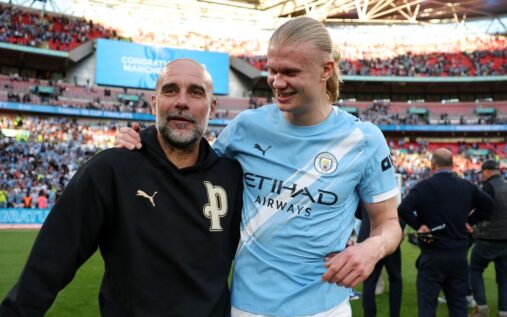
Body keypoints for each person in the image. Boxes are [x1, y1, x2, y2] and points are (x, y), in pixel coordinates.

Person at [115, 17, 403, 317]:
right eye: (272, 70)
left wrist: (373, 248)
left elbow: (388, 223)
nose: (277, 83)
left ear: (325, 70)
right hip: (246, 307)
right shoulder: (246, 127)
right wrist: (143, 142)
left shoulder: (364, 140)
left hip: (325, 308)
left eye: (290, 72)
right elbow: (191, 169)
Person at [0, 59, 244, 316]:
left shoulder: (232, 177)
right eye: (170, 90)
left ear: (212, 107)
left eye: (195, 92)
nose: (181, 101)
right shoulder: (110, 169)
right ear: (153, 103)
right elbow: (48, 265)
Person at [398, 148, 494, 317]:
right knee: (458, 307)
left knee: (427, 306)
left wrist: (419, 225)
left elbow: (403, 209)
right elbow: (489, 206)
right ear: (452, 165)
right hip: (458, 255)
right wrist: (469, 222)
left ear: (432, 165)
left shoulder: (424, 186)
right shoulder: (466, 186)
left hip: (432, 254)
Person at [469, 159, 507, 317]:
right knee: (504, 276)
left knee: (475, 269)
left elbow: (482, 210)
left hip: (488, 238)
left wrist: (468, 222)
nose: (482, 176)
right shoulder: (505, 185)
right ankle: (504, 311)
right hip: (505, 239)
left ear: (487, 171)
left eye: (483, 172)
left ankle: (482, 308)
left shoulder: (488, 186)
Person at [356, 203, 403, 317]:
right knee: (395, 279)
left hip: (371, 237)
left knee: (369, 282)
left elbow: (357, 212)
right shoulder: (386, 190)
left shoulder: (362, 191)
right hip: (387, 236)